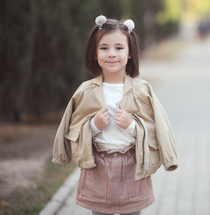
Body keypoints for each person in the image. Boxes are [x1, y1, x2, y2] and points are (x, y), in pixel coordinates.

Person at [52, 15, 178, 215]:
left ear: (130, 53)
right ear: (94, 53)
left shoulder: (142, 90)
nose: (111, 54)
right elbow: (72, 128)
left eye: (119, 48)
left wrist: (130, 125)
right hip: (98, 167)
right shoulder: (86, 91)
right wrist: (94, 125)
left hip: (132, 166)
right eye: (104, 48)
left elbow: (157, 128)